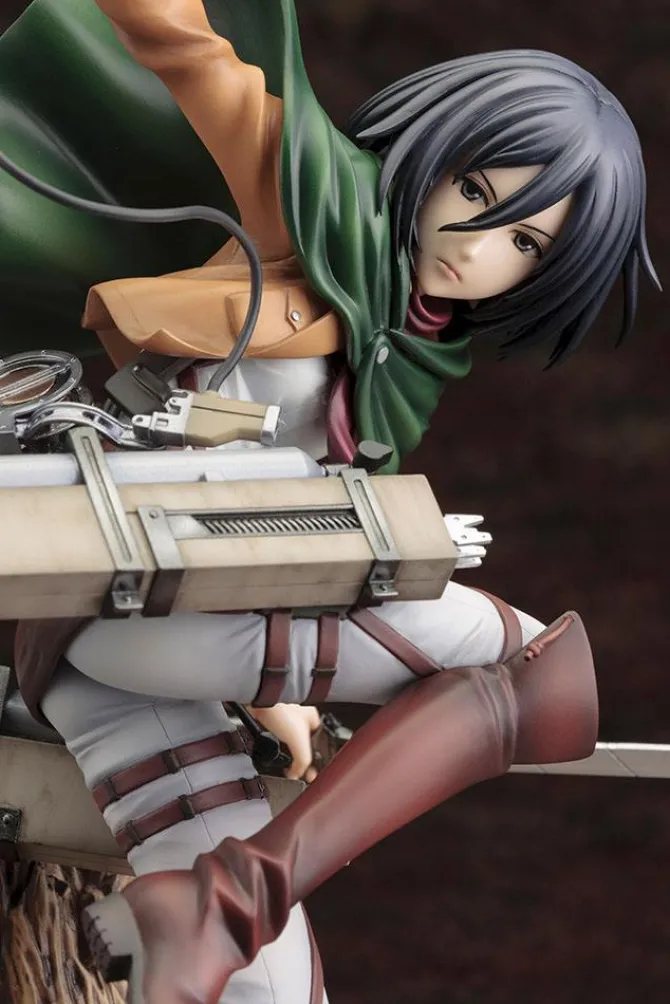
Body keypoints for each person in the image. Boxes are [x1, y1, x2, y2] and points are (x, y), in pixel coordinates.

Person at [1, 0, 657, 1002]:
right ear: (435, 148)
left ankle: (214, 907)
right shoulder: (310, 201)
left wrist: (277, 691)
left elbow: (297, 513)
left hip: (129, 664)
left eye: (523, 242)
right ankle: (236, 894)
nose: (475, 244)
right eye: (473, 190)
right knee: (542, 667)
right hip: (126, 593)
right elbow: (191, 52)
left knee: (269, 988)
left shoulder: (413, 347)